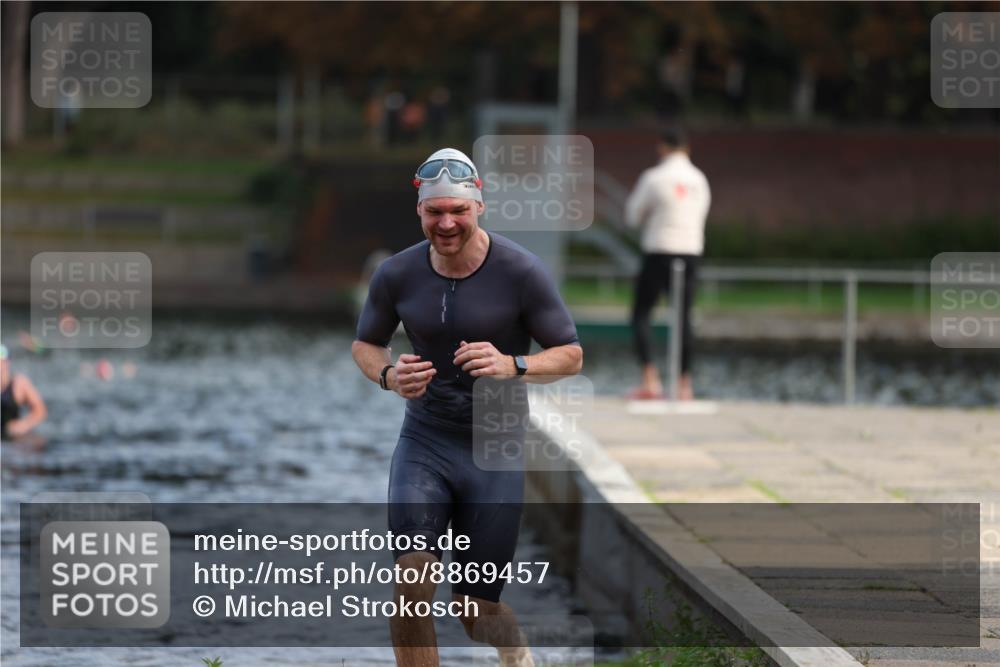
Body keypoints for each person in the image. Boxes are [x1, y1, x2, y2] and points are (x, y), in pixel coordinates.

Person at [352, 147, 583, 667]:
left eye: (458, 209)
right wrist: (389, 376)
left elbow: (571, 354)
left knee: (476, 612)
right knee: (411, 580)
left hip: (493, 447)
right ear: (419, 211)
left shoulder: (521, 272)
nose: (447, 222)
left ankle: (516, 654)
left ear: (479, 206)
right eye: (435, 211)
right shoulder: (396, 274)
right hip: (425, 441)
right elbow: (365, 344)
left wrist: (513, 365)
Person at [625, 127, 711, 400]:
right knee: (684, 318)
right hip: (690, 252)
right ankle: (685, 385)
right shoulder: (699, 179)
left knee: (641, 314)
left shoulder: (654, 177)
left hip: (658, 251)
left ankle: (651, 380)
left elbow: (632, 216)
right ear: (688, 149)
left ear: (662, 148)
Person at [1, 344, 47, 439]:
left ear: (7, 362)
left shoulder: (19, 383)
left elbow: (40, 410)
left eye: (2, 361)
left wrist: (23, 425)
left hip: (12, 437)